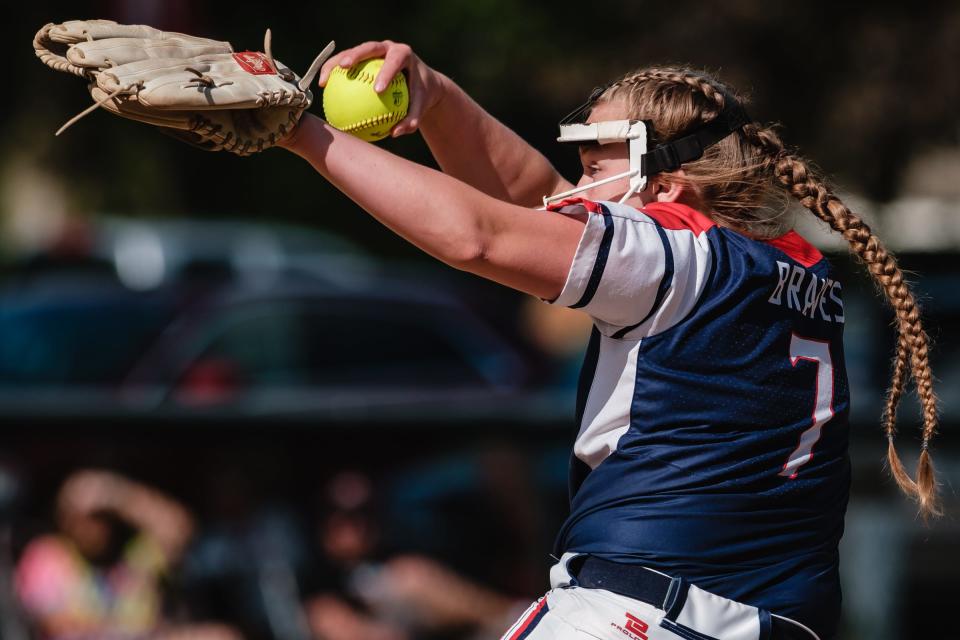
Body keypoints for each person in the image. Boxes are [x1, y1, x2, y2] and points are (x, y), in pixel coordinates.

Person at [275, 42, 941, 640]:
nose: (579, 182)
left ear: (668, 184)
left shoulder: (676, 257)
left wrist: (301, 133)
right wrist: (438, 95)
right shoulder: (790, 270)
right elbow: (537, 197)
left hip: (642, 611)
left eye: (595, 161)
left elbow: (479, 235)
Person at [15, 469, 241, 640]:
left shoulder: (136, 552)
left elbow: (181, 530)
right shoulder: (48, 554)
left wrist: (117, 494)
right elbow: (59, 628)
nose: (93, 526)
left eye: (102, 518)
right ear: (64, 518)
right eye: (84, 517)